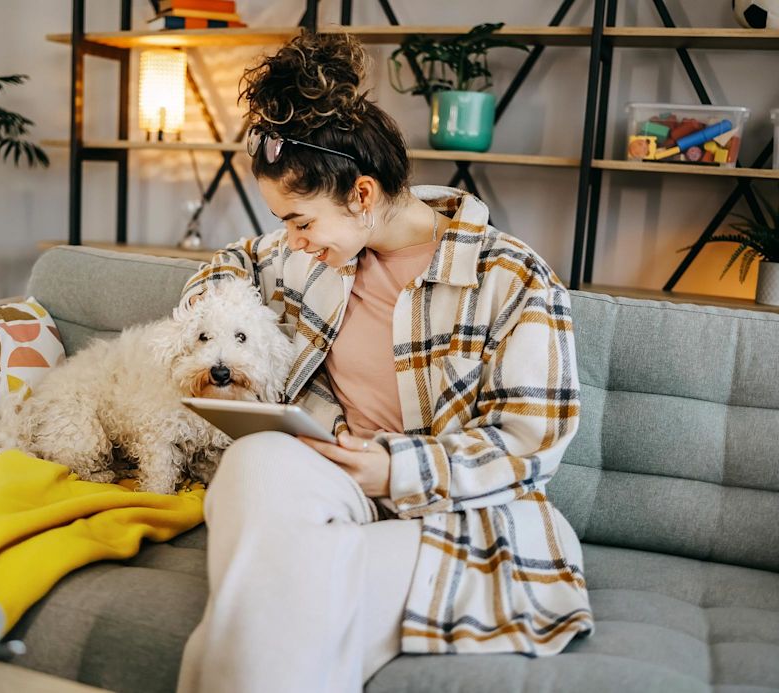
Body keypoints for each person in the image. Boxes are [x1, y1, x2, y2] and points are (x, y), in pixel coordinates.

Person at [175, 31, 593, 693]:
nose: (291, 241)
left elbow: (530, 444)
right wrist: (224, 316)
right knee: (251, 462)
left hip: (461, 510)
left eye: (301, 221)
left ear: (363, 195)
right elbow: (228, 266)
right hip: (336, 475)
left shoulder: (514, 277)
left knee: (278, 601)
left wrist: (394, 467)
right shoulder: (311, 253)